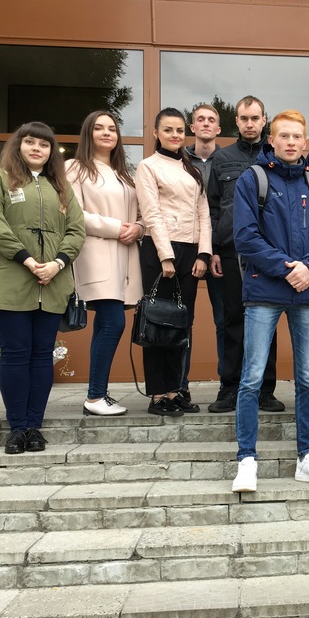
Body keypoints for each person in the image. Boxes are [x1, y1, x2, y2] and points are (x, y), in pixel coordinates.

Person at [231, 110, 309, 492]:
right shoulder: (252, 179)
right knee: (251, 378)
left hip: (306, 292)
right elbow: (245, 237)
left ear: (305, 142)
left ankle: (307, 458)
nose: (291, 142)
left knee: (308, 379)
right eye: (284, 136)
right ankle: (246, 460)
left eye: (297, 136)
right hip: (265, 291)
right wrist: (286, 268)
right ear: (271, 140)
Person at [0, 121, 85, 454]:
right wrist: (26, 258)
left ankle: (34, 426)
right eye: (30, 142)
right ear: (18, 146)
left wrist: (58, 263)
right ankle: (17, 428)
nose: (37, 148)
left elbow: (76, 230)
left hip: (52, 283)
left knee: (41, 356)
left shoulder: (61, 187)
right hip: (9, 281)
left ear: (52, 152)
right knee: (15, 353)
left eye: (44, 144)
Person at [206, 95, 284, 414]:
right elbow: (212, 207)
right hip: (231, 251)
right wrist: (213, 249)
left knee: (267, 320)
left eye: (255, 118)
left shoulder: (277, 155)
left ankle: (265, 390)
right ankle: (230, 387)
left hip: (269, 253)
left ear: (264, 120)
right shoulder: (222, 158)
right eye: (244, 118)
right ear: (236, 121)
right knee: (232, 320)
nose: (250, 124)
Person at [134, 107, 212, 417]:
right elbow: (151, 213)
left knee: (181, 325)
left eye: (179, 130)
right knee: (158, 323)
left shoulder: (191, 168)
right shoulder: (148, 166)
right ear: (156, 133)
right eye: (168, 129)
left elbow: (204, 213)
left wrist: (204, 253)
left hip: (190, 252)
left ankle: (176, 390)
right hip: (160, 251)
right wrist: (165, 255)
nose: (175, 135)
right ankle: (158, 395)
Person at [66, 111, 143, 416]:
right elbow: (73, 213)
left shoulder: (124, 173)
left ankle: (98, 394)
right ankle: (95, 396)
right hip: (96, 254)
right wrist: (117, 228)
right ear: (88, 133)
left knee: (107, 323)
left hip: (125, 258)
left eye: (112, 128)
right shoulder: (74, 168)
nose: (106, 133)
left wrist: (139, 228)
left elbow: (141, 213)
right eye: (99, 128)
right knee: (113, 322)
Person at [185, 102, 225, 394]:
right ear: (193, 127)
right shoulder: (179, 161)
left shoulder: (226, 160)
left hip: (219, 252)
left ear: (219, 128)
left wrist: (215, 248)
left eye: (211, 119)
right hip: (186, 248)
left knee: (224, 320)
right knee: (181, 320)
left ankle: (228, 385)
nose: (206, 123)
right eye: (201, 119)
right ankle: (179, 385)